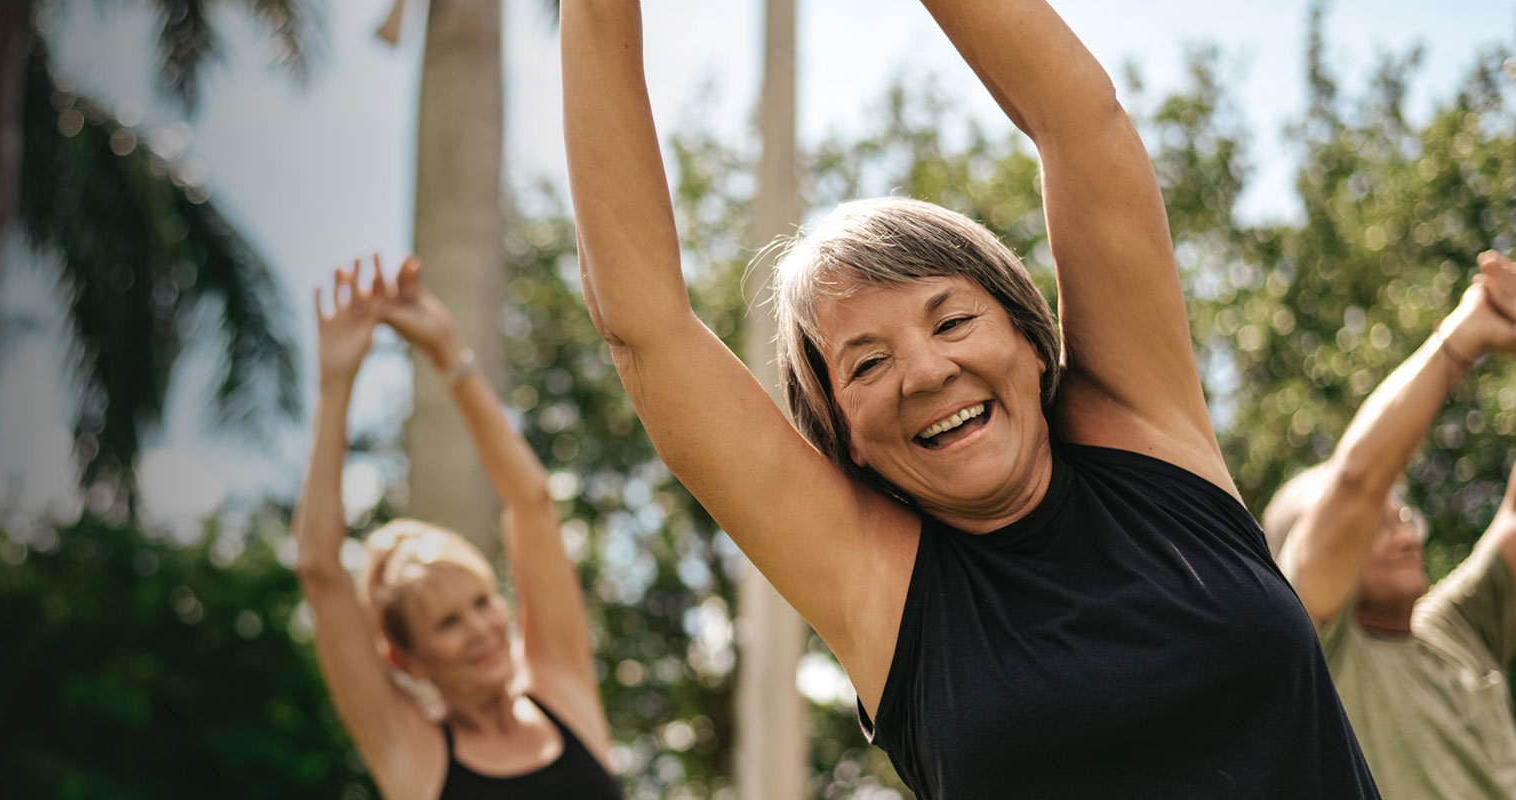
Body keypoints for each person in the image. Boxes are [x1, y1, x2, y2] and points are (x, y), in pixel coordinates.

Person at [560, 0, 1376, 796]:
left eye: (951, 320)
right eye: (868, 365)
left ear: (1028, 333)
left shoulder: (1140, 429)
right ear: (843, 437)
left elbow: (1078, 119)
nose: (924, 372)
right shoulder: (877, 587)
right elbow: (645, 330)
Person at [292, 255, 620, 800]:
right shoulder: (412, 753)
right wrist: (335, 383)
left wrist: (447, 352)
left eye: (482, 602)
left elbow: (532, 503)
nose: (482, 629)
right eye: (447, 623)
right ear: (406, 660)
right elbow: (319, 571)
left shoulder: (562, 698)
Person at [1263, 251, 1516, 799]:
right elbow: (1357, 482)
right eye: (1372, 527)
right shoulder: (1315, 664)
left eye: (1403, 517)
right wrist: (1463, 336)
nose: (1406, 535)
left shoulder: (1459, 631)